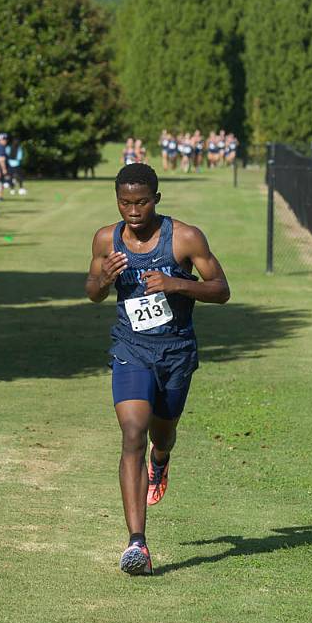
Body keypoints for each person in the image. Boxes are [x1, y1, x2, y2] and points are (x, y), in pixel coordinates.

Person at [84, 163, 231, 575]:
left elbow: (221, 289)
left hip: (176, 352)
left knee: (160, 432)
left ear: (157, 199)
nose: (134, 211)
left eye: (142, 202)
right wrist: (103, 281)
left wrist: (178, 284)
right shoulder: (106, 239)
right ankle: (137, 544)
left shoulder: (184, 237)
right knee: (132, 432)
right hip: (131, 348)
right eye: (125, 203)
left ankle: (161, 458)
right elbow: (92, 291)